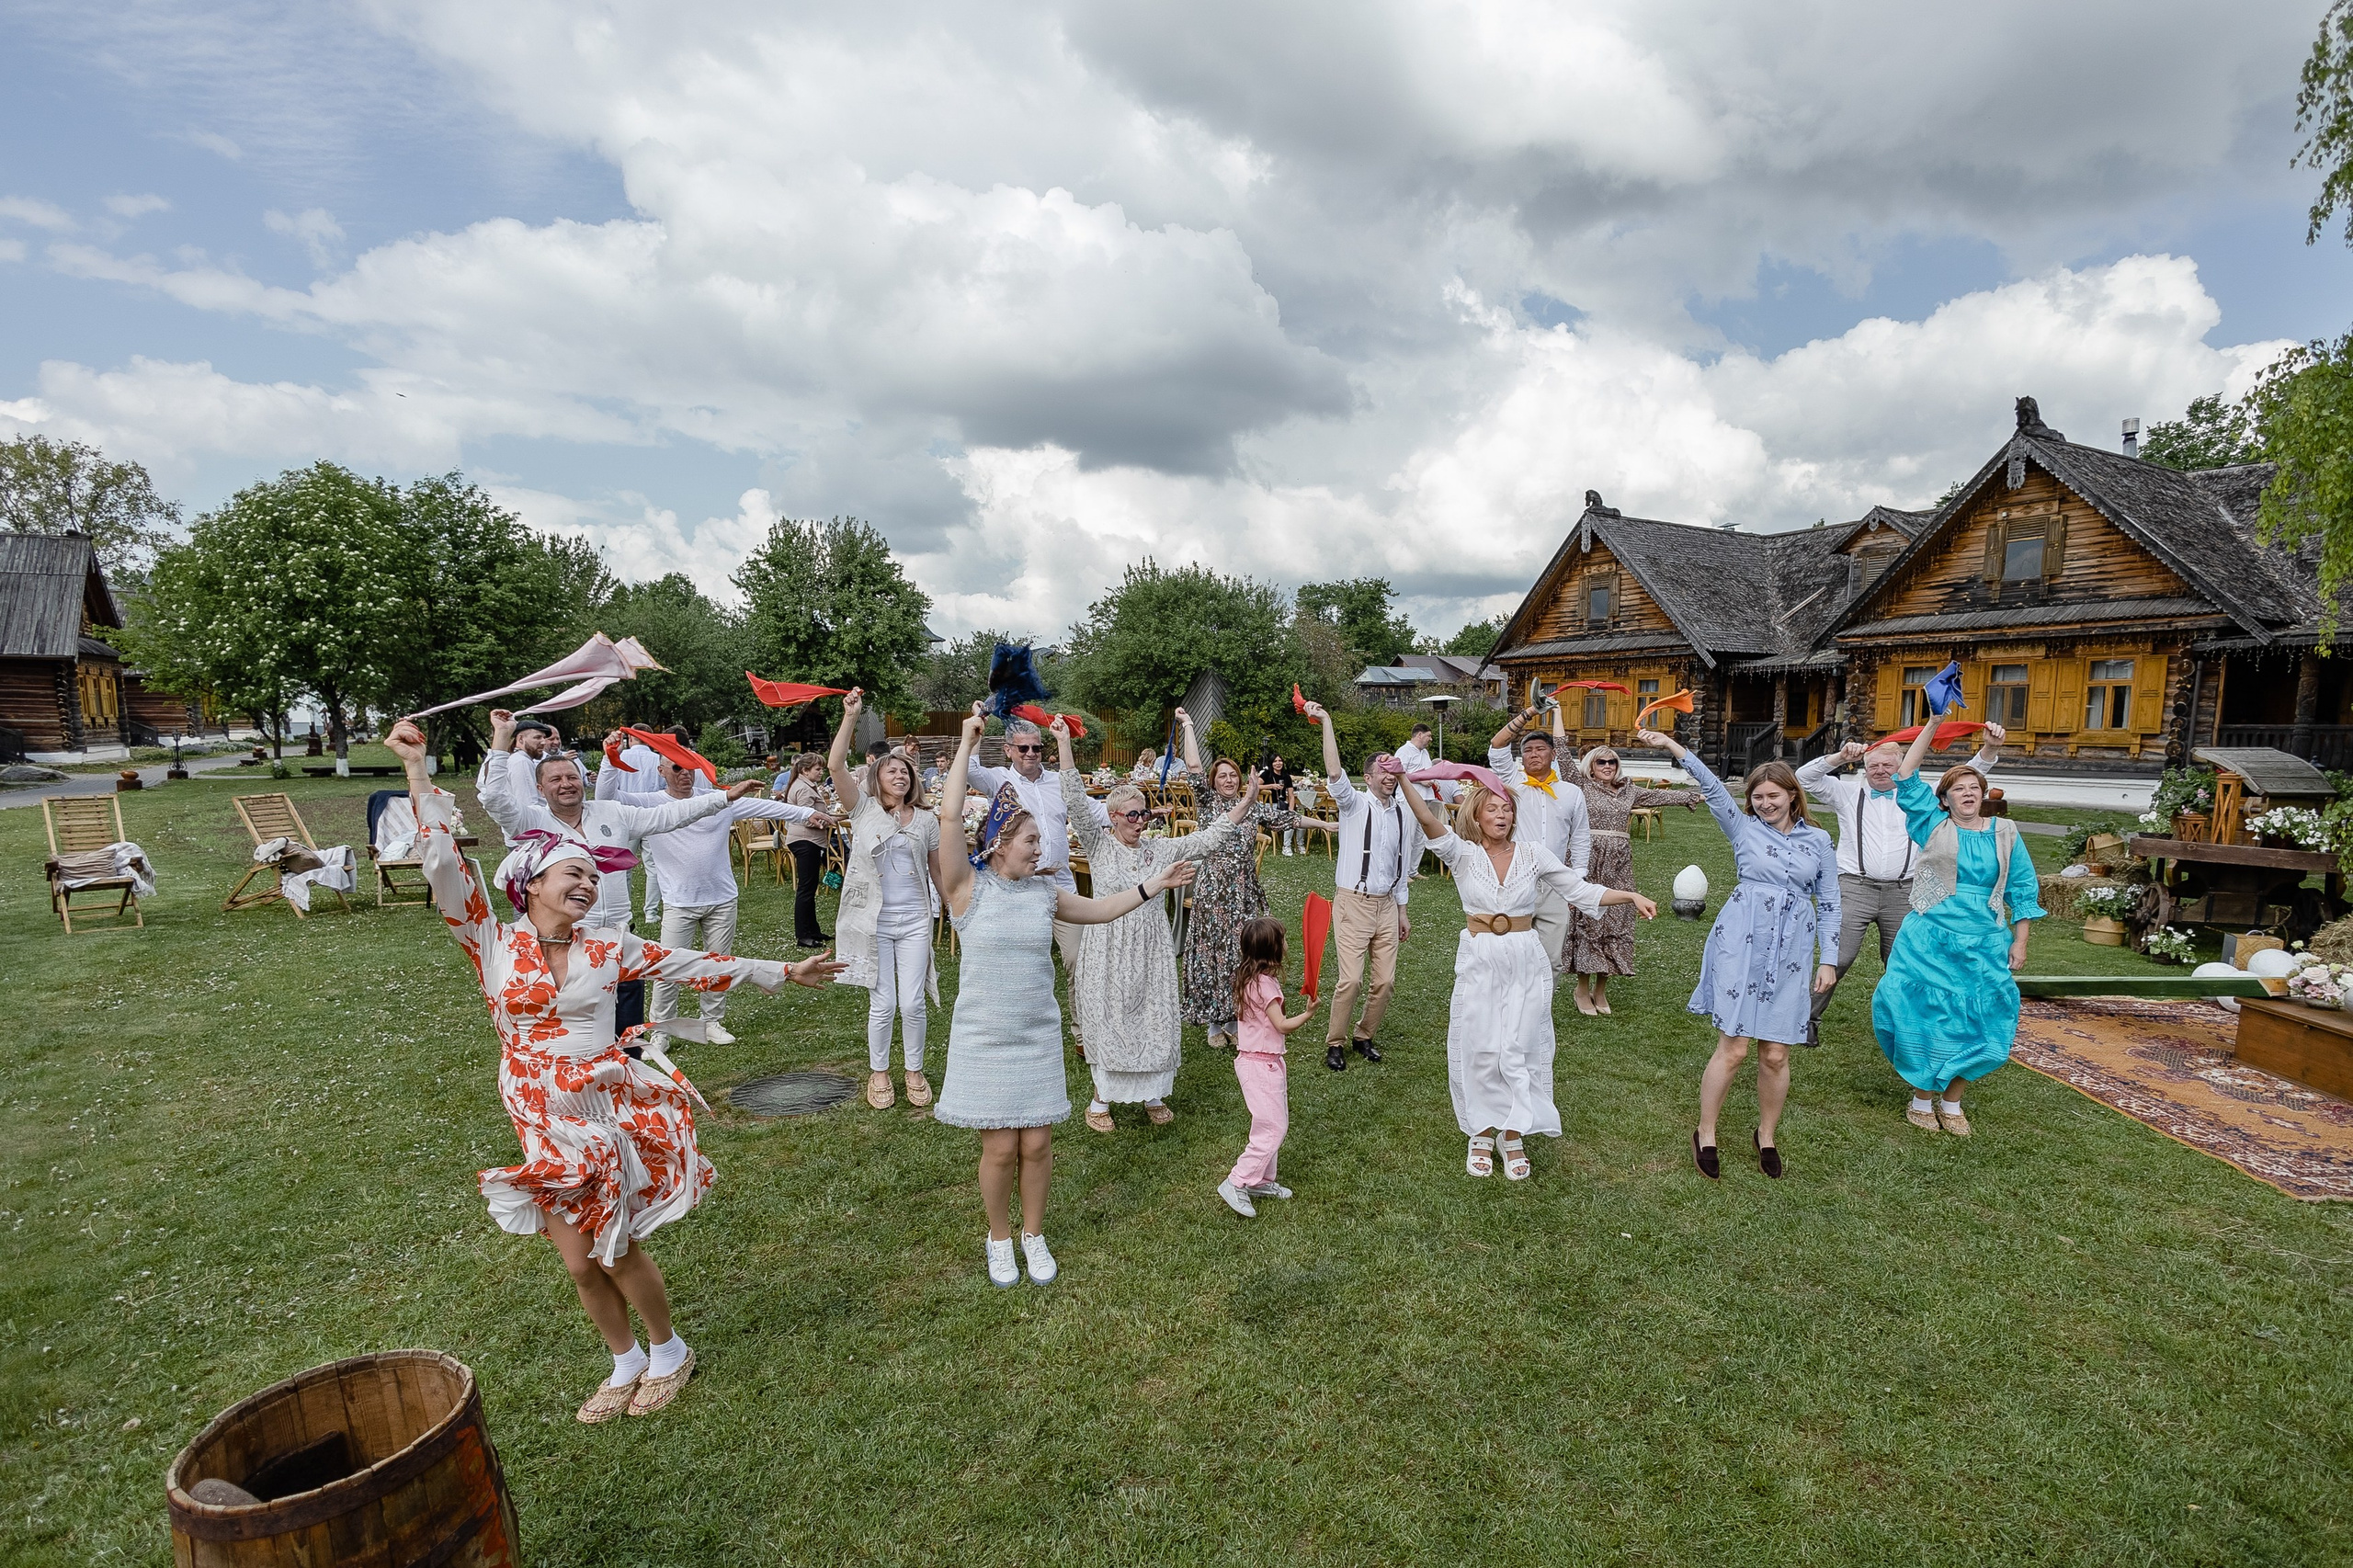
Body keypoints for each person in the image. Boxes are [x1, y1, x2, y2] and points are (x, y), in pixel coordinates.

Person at [387, 718, 840, 1422]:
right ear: (529, 882)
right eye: (576, 875)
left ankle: (668, 1350)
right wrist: (417, 774)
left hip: (599, 1109)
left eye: (595, 879)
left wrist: (782, 969)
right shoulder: (489, 939)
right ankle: (624, 1360)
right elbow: (442, 863)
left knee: (614, 1245)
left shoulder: (609, 948)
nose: (589, 887)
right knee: (576, 1260)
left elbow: (693, 963)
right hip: (535, 1111)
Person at [932, 702, 1202, 1288]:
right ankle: (999, 1239)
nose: (1040, 849)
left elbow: (1103, 910)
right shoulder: (965, 890)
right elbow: (950, 817)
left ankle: (1035, 1233)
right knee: (1001, 1148)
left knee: (1039, 1144)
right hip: (984, 1035)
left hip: (1036, 1035)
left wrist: (1153, 882)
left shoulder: (1046, 894)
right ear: (1001, 843)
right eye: (1031, 840)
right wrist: (965, 741)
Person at [1399, 771, 1655, 1180]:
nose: (1501, 816)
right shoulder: (1462, 854)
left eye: (1507, 809)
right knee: (1480, 1043)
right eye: (1493, 809)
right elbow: (1428, 821)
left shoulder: (1535, 854)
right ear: (1477, 816)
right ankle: (1482, 1132)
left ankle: (1513, 1134)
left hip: (1525, 956)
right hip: (1481, 956)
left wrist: (1630, 895)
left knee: (1523, 1045)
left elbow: (1581, 890)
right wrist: (1402, 781)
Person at [1635, 727, 1838, 1182]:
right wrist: (1670, 747)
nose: (1764, 804)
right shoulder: (1743, 828)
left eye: (1772, 795)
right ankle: (1705, 1132)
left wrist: (1830, 957)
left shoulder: (1819, 842)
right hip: (1742, 939)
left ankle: (1766, 1135)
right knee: (1735, 1048)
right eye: (1757, 797)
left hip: (1792, 947)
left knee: (1776, 1054)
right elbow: (1709, 785)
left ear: (1792, 795)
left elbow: (1830, 902)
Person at [477, 710, 752, 1035]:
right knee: (581, 1027)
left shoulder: (612, 812)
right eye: (556, 780)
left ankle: (634, 1062)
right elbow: (494, 798)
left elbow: (668, 815)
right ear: (540, 789)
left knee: (629, 1030)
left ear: (582, 781)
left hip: (619, 935)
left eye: (572, 778)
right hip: (565, 941)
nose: (566, 785)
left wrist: (722, 798)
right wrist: (501, 737)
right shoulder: (529, 821)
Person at [1056, 717, 1258, 1131]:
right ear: (1112, 817)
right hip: (1109, 943)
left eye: (1143, 814)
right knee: (1111, 1015)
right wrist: (1063, 744)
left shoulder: (1157, 848)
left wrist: (1248, 800)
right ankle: (1101, 1100)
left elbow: (1209, 837)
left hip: (1151, 944)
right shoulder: (1098, 845)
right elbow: (1075, 799)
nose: (1140, 821)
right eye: (1132, 815)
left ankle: (1151, 1093)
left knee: (1151, 1015)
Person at [1872, 717, 2042, 1135]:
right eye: (1958, 790)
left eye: (1974, 789)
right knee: (1926, 1016)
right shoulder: (1934, 825)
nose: (1967, 794)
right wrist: (1932, 723)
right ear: (1944, 800)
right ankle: (1921, 1098)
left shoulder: (2005, 832)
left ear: (1983, 796)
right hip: (1930, 939)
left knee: (1986, 1020)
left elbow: (2022, 887)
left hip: (1984, 942)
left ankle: (1953, 1101)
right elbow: (1906, 774)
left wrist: (2019, 942)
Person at [597, 748, 828, 1048]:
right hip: (679, 903)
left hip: (722, 899)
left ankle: (711, 1022)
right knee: (666, 971)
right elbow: (606, 796)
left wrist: (808, 813)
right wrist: (608, 759)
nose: (685, 774)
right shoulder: (651, 803)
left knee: (719, 965)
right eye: (677, 768)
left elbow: (769, 809)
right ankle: (661, 1031)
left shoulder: (720, 800)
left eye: (690, 768)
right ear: (661, 771)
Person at [1795, 725, 2006, 1046]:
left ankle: (1908, 1029)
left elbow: (1967, 776)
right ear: (1864, 769)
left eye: (1888, 765)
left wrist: (1989, 749)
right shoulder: (1848, 793)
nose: (1880, 771)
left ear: (1903, 765)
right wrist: (1840, 756)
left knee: (1905, 961)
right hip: (1854, 886)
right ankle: (1805, 1020)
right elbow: (1805, 777)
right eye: (1873, 766)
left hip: (1906, 891)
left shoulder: (1921, 795)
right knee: (1838, 957)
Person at [828, 689, 941, 1110]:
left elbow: (937, 872)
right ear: (876, 777)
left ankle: (914, 1069)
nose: (900, 776)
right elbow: (835, 765)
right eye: (891, 771)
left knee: (912, 1002)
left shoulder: (927, 820)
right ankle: (879, 1072)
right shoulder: (862, 810)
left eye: (906, 772)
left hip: (914, 919)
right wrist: (851, 717)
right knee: (885, 1002)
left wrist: (955, 911)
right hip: (872, 922)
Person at [1304, 699, 1418, 1072]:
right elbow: (1334, 771)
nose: (1389, 774)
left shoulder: (1403, 811)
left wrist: (1401, 910)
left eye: (1393, 768)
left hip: (1387, 905)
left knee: (1384, 983)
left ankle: (1364, 1034)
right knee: (1350, 980)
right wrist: (1326, 722)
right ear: (1368, 778)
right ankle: (1335, 1041)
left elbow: (1400, 866)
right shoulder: (1354, 804)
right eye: (1382, 769)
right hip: (1353, 902)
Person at [1176, 720, 1300, 1053]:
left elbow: (1290, 819)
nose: (1229, 780)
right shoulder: (1208, 803)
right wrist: (1189, 725)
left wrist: (1333, 824)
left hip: (1244, 892)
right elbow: (1192, 766)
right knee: (1212, 954)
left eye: (1233, 775)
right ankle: (1214, 1022)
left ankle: (1235, 1017)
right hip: (1214, 890)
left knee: (1240, 954)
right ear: (1214, 783)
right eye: (1223, 776)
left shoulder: (1252, 807)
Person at [1559, 742, 1699, 1016]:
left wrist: (1694, 797)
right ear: (1591, 765)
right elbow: (1563, 756)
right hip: (1588, 859)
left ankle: (1601, 990)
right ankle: (1581, 988)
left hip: (1619, 863)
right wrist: (1556, 714)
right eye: (1601, 762)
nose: (1608, 766)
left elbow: (1662, 798)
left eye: (1612, 762)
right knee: (1589, 920)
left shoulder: (1628, 790)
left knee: (1618, 920)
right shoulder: (1580, 785)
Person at [1217, 917, 1322, 1217]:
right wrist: (1309, 1014)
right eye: (1283, 939)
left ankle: (1260, 1180)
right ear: (1271, 949)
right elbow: (1282, 1025)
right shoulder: (1265, 986)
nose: (1287, 944)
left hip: (1262, 1063)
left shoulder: (1249, 978)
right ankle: (1236, 1181)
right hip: (1261, 1065)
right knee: (1274, 1127)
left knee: (1269, 1123)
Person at [968, 715, 1086, 973]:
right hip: (1019, 889)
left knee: (1080, 960)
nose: (1031, 753)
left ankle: (1082, 1015)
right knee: (1022, 963)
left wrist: (1126, 814)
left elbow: (1086, 807)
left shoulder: (1057, 781)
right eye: (1023, 748)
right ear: (1008, 750)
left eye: (1037, 747)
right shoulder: (998, 780)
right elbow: (970, 770)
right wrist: (975, 733)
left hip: (1060, 884)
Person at [1488, 700, 1593, 972]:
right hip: (1516, 880)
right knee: (1509, 954)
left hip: (1556, 883)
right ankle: (1509, 1011)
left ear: (1554, 754)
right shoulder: (1511, 782)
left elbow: (1580, 836)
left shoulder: (1571, 793)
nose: (1534, 754)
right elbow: (1497, 745)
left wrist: (1577, 879)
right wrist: (1530, 712)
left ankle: (1540, 1014)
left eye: (1540, 749)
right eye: (1528, 750)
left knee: (1551, 961)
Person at [779, 753, 835, 949]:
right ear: (805, 770)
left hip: (807, 840)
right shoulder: (803, 789)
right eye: (818, 769)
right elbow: (806, 818)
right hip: (805, 840)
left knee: (810, 888)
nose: (821, 772)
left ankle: (813, 929)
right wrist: (830, 820)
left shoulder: (804, 785)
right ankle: (803, 936)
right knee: (806, 889)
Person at [1258, 752, 1299, 855]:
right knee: (1289, 819)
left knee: (1295, 818)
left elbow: (1291, 795)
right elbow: (1254, 786)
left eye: (1280, 761)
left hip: (1282, 805)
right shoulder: (1266, 774)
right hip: (1268, 806)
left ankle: (1297, 844)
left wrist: (1291, 810)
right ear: (1271, 763)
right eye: (1275, 761)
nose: (1278, 763)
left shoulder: (1286, 776)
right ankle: (1287, 847)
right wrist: (1271, 786)